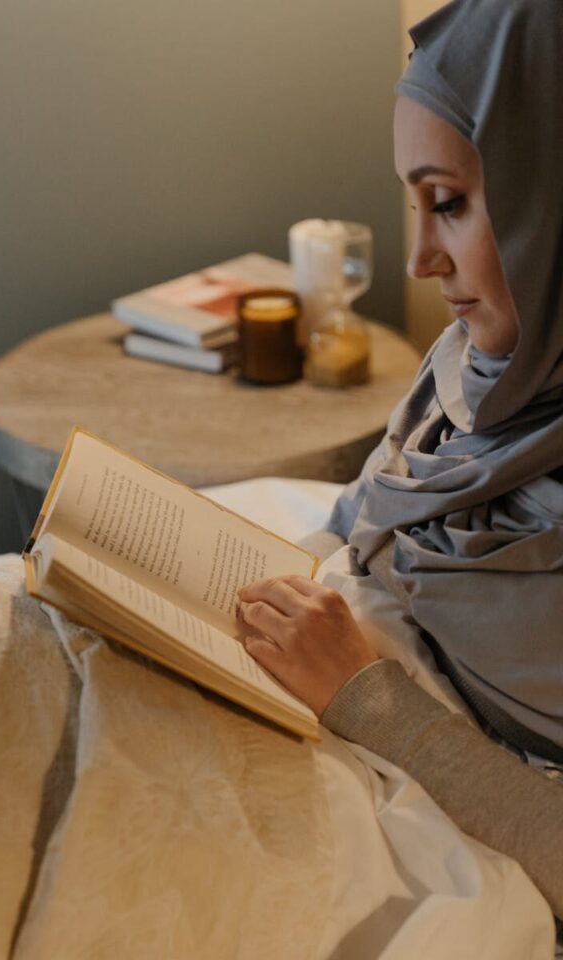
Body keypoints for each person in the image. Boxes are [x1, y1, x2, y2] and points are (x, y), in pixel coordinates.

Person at [237, 0, 563, 935]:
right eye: (416, 203)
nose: (420, 259)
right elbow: (362, 511)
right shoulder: (481, 363)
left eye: (450, 204)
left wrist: (365, 700)